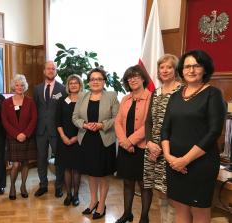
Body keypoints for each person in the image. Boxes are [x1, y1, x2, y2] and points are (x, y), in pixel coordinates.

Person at [161, 50, 227, 223]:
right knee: (180, 207)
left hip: (200, 164)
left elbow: (214, 132)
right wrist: (169, 157)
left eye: (196, 66)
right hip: (174, 163)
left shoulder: (213, 94)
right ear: (181, 70)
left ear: (205, 69)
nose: (191, 70)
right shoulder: (175, 96)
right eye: (187, 66)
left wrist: (185, 160)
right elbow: (165, 128)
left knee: (199, 210)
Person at [72, 67, 119, 220]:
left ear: (104, 81)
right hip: (87, 139)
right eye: (93, 79)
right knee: (92, 173)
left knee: (103, 173)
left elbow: (116, 118)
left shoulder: (111, 95)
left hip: (104, 140)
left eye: (99, 79)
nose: (96, 82)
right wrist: (85, 125)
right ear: (88, 81)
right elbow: (75, 117)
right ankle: (93, 202)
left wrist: (101, 125)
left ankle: (102, 204)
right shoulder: (82, 96)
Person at [143, 54, 183, 223]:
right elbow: (148, 122)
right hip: (154, 148)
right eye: (162, 67)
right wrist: (150, 143)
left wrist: (162, 146)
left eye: (169, 67)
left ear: (176, 70)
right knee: (160, 188)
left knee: (172, 189)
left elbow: (181, 123)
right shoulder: (155, 92)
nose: (165, 70)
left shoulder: (182, 91)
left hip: (172, 148)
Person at [115, 65, 152, 223]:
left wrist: (131, 140)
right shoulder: (125, 98)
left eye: (136, 76)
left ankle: (144, 217)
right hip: (125, 147)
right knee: (127, 182)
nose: (133, 79)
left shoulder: (152, 97)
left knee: (144, 184)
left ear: (143, 77)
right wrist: (124, 141)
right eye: (129, 77)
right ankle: (127, 213)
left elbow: (150, 123)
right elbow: (118, 122)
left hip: (143, 148)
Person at [33, 61, 67, 197]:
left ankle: (59, 186)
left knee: (58, 159)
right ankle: (43, 185)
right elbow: (35, 108)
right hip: (40, 130)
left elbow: (65, 110)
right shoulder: (37, 88)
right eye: (48, 68)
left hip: (56, 130)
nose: (50, 71)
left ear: (56, 71)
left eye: (53, 69)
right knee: (41, 158)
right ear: (44, 71)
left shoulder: (63, 88)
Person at [1, 74, 37, 200]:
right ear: (13, 86)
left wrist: (25, 134)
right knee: (15, 165)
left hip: (27, 137)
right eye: (17, 85)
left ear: (25, 87)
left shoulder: (30, 101)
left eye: (22, 85)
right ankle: (12, 187)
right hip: (12, 138)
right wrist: (17, 135)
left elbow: (34, 119)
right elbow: (4, 121)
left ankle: (23, 186)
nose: (19, 87)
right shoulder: (6, 102)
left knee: (25, 163)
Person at [55, 74, 84, 207]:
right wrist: (63, 136)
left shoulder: (84, 101)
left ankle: (76, 195)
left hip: (79, 138)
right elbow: (58, 120)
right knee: (66, 168)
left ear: (80, 85)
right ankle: (68, 195)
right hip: (64, 139)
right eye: (71, 83)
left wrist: (76, 137)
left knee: (77, 168)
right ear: (68, 85)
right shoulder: (62, 100)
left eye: (76, 83)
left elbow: (87, 121)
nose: (73, 85)